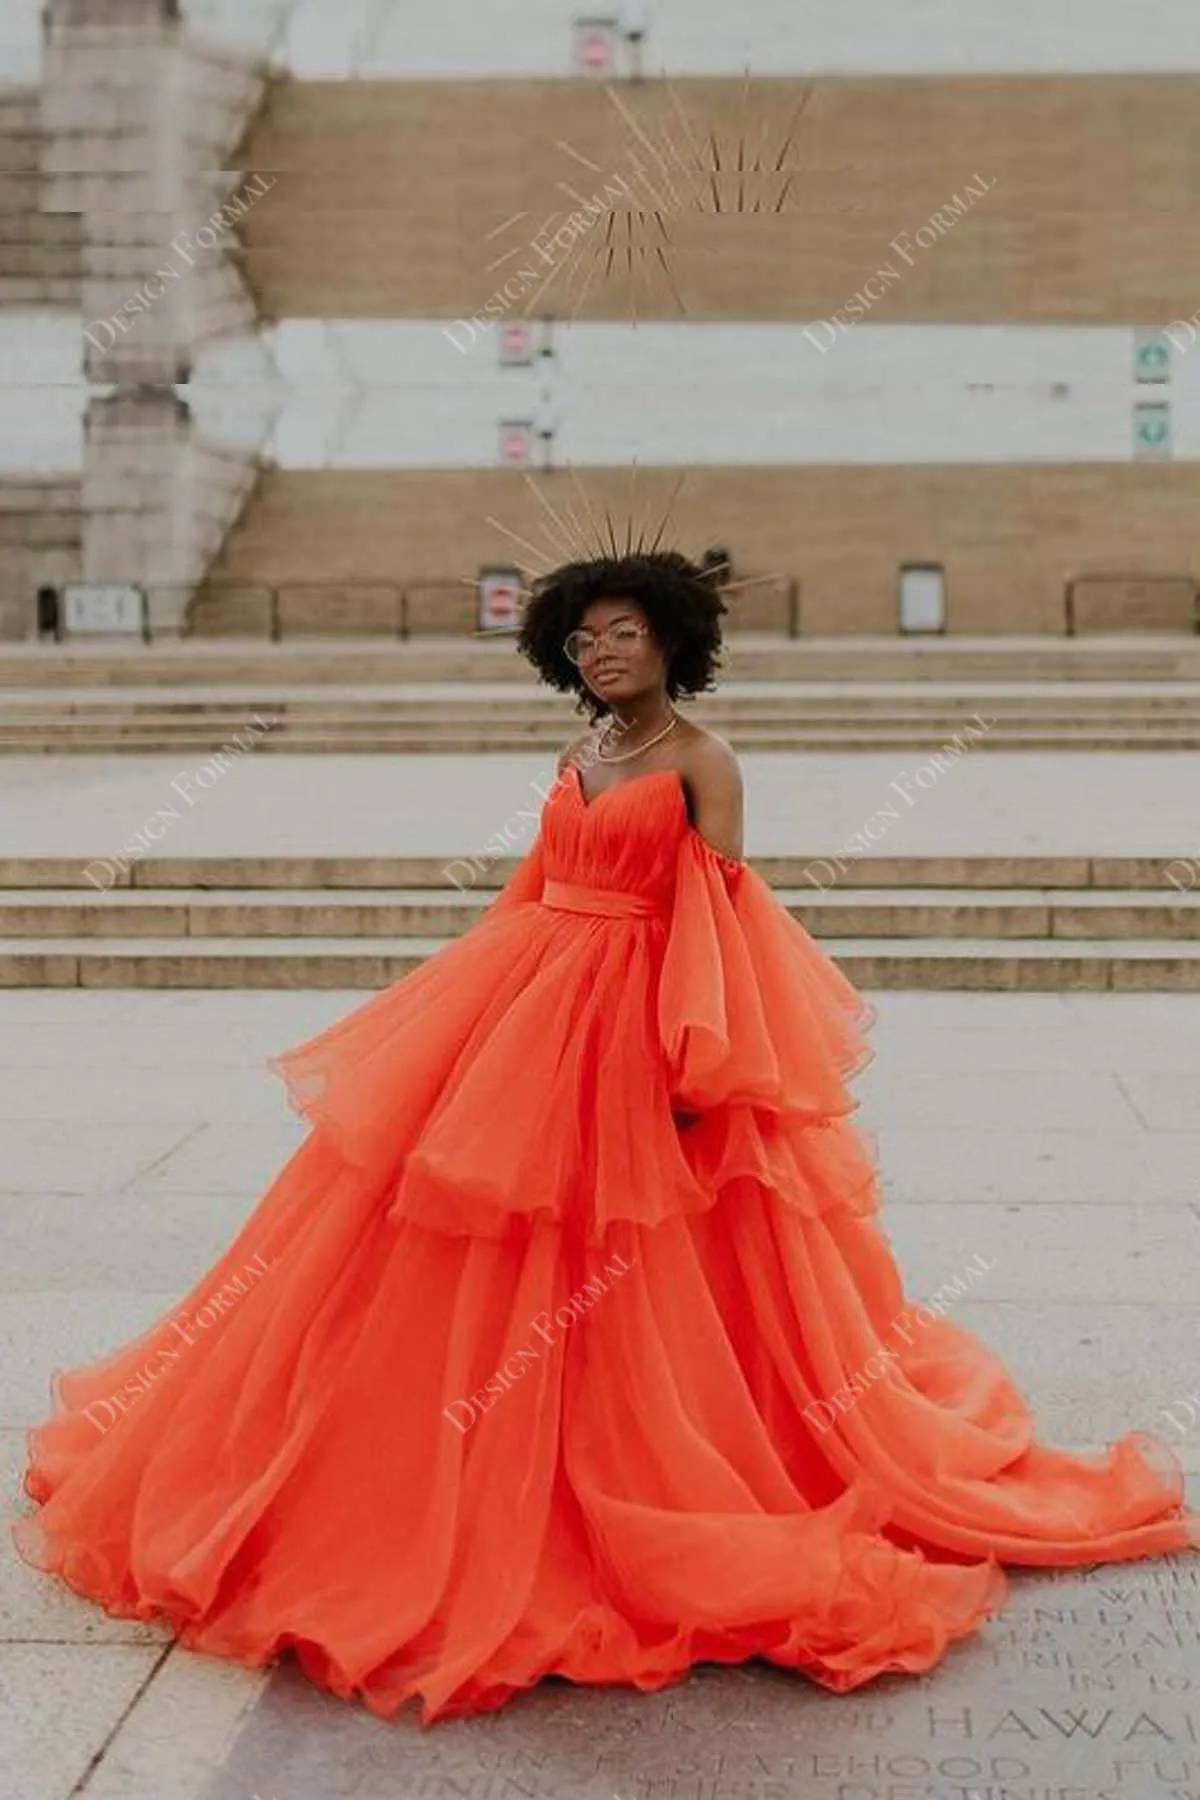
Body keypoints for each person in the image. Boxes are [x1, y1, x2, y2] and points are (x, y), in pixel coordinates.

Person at [13, 549, 1197, 1728]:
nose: (603, 651)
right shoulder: (582, 754)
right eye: (584, 639)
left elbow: (723, 917)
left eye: (624, 631)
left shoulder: (701, 761)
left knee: (630, 1248)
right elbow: (534, 887)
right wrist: (469, 1023)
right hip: (532, 1004)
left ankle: (627, 1460)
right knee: (460, 1233)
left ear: (674, 640)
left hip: (636, 1017)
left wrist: (701, 1066)